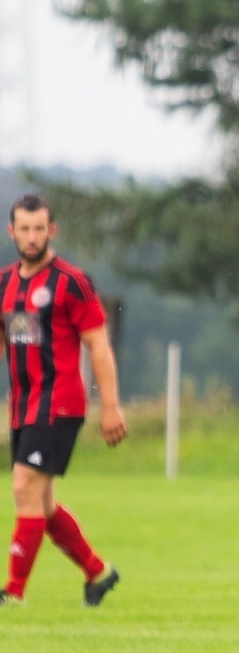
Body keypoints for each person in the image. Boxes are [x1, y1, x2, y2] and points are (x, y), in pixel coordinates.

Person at [1, 194, 125, 608]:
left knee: (22, 484)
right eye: (24, 228)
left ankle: (13, 594)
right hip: (24, 406)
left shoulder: (71, 282)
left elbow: (99, 347)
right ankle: (97, 573)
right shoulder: (4, 284)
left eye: (40, 229)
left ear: (52, 231)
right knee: (42, 501)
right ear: (12, 231)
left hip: (60, 405)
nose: (32, 237)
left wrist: (110, 406)